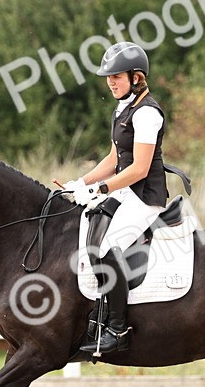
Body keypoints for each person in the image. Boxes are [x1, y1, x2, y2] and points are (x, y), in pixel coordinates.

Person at [63, 41, 169, 356]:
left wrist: (99, 190)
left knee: (105, 246)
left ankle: (118, 328)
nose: (110, 82)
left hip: (145, 196)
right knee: (88, 232)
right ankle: (97, 316)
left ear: (136, 77)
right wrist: (79, 182)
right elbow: (113, 160)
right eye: (108, 77)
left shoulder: (147, 114)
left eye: (116, 77)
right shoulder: (124, 107)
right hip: (124, 190)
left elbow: (139, 168)